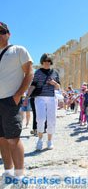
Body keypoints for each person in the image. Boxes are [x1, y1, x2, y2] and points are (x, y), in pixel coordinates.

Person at [0, 22, 33, 180]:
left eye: (2, 31)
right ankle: (8, 171)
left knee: (13, 138)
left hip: (10, 100)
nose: (0, 35)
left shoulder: (18, 50)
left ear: (8, 33)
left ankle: (19, 174)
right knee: (1, 139)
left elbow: (29, 74)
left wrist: (18, 95)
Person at [25, 53, 60, 151]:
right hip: (39, 97)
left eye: (49, 61)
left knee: (52, 119)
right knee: (40, 119)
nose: (47, 63)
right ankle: (40, 139)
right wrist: (27, 97)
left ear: (51, 62)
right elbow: (33, 85)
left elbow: (58, 87)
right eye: (45, 61)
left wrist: (54, 83)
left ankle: (49, 140)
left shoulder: (55, 72)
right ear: (42, 61)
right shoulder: (38, 72)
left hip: (51, 98)